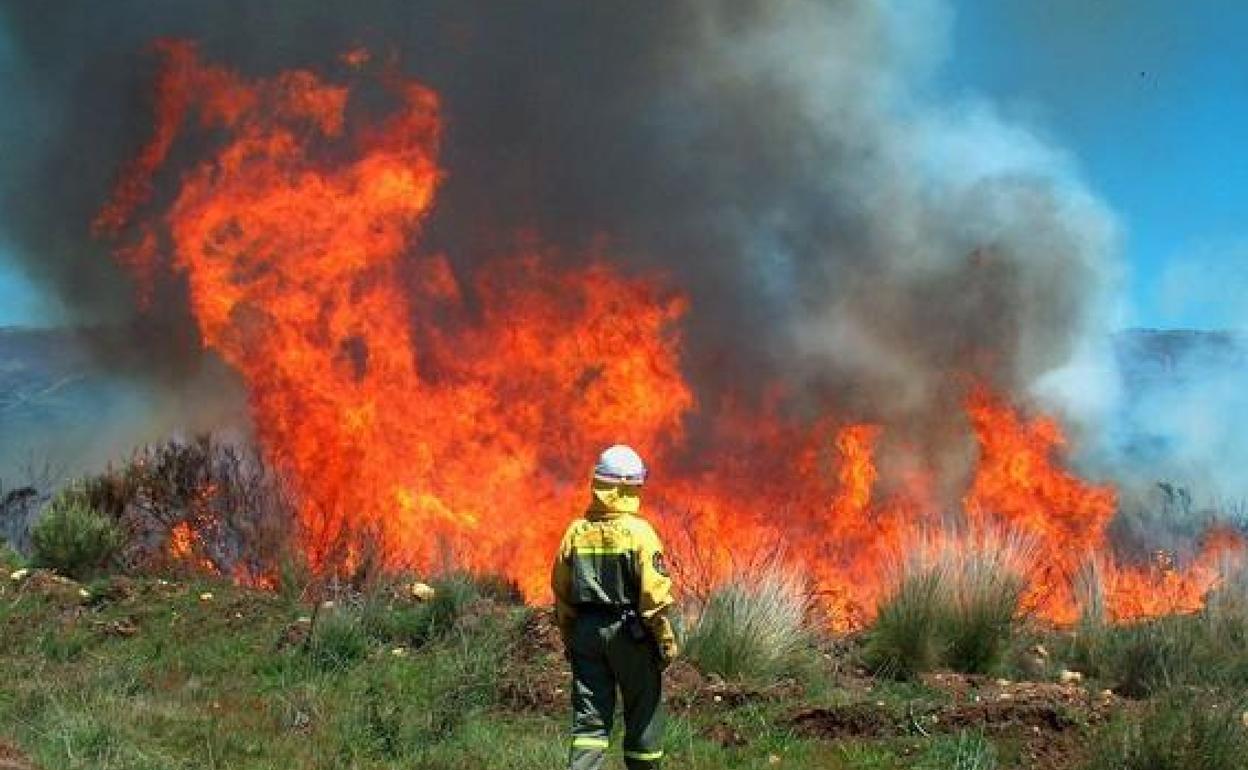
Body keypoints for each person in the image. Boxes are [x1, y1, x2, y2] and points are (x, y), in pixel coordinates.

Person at [551, 444, 679, 770]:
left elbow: (562, 593)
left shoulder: (576, 532)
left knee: (589, 724)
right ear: (628, 486)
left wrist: (571, 636)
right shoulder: (640, 533)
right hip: (630, 636)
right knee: (642, 716)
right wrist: (664, 639)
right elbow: (653, 597)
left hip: (585, 633)